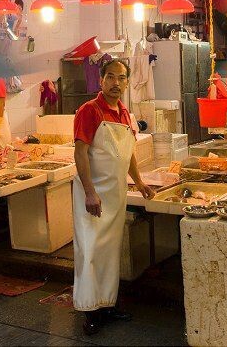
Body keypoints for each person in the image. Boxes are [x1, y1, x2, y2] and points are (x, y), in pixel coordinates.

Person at [72, 60, 154, 335]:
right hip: (92, 195)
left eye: (121, 78)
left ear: (127, 82)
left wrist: (139, 181)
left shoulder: (125, 113)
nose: (116, 83)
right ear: (101, 80)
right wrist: (89, 192)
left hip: (115, 193)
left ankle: (107, 304)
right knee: (91, 250)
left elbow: (127, 152)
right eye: (110, 77)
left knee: (110, 251)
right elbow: (80, 153)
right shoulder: (89, 110)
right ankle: (89, 310)